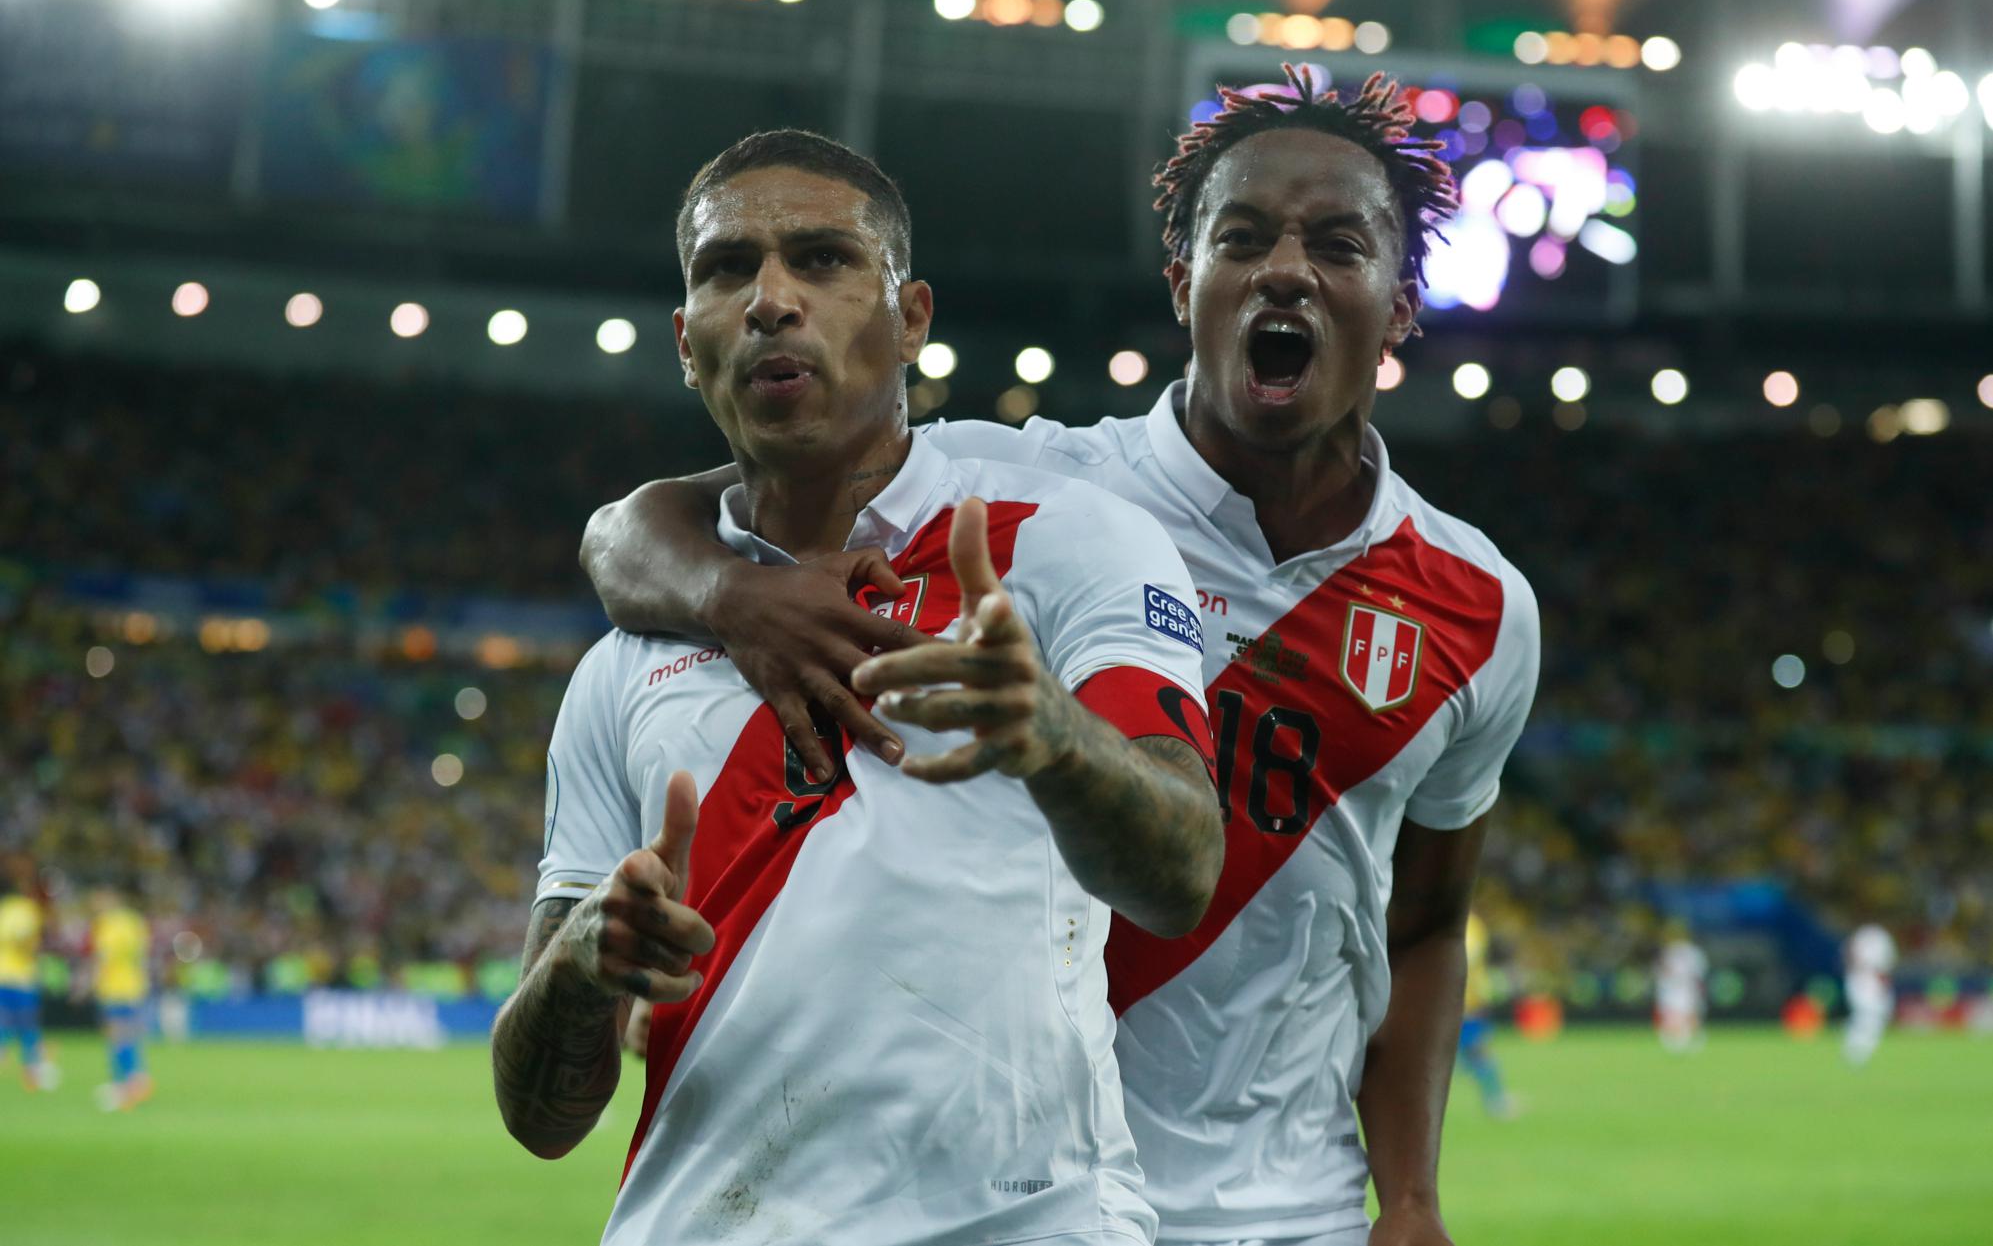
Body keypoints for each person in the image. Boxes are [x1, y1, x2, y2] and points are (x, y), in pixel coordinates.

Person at [581, 66, 1541, 1246]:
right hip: (1039, 1192)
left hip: (1296, 1210)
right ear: (1185, 283)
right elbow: (632, 529)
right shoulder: (1034, 492)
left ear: (1399, 304)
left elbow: (1428, 929)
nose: (1283, 270)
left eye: (1340, 246)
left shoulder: (1479, 605)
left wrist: (1412, 1199)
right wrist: (736, 595)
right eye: (1239, 239)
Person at [492, 130, 1224, 1246]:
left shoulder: (1064, 544)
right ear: (686, 343)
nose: (771, 299)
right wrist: (587, 967)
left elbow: (1182, 875)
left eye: (824, 260)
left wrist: (1056, 739)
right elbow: (540, 1118)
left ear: (912, 318)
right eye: (728, 269)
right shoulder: (623, 665)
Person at [87, 886, 153, 1111]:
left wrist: (91, 983)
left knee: (116, 1037)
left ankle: (121, 1085)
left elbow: (103, 958)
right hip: (135, 986)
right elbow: (142, 954)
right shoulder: (135, 922)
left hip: (114, 988)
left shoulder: (106, 924)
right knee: (130, 1036)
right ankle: (137, 1079)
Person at [0, 857, 60, 1093]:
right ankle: (32, 1074)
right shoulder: (30, 911)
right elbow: (25, 942)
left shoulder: (5, 908)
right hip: (21, 979)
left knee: (4, 1026)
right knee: (27, 1028)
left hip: (2, 976)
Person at [1455, 911, 1512, 1119]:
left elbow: (1467, 957)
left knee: (1476, 1052)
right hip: (1456, 1004)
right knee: (1474, 1054)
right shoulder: (1469, 922)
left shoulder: (1471, 923)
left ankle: (1495, 1100)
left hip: (1469, 1003)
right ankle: (1496, 1100)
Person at [1842, 921, 1896, 1067]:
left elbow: (1848, 956)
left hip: (1860, 979)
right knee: (1870, 1016)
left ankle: (1857, 1048)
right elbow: (1885, 965)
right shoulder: (1878, 936)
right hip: (1866, 979)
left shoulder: (1863, 935)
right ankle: (1857, 1050)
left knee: (1869, 1017)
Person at [1653, 926, 1708, 1054]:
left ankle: (1694, 1038)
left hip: (1686, 987)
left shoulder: (1692, 952)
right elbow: (1660, 970)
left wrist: (1698, 988)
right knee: (1671, 1015)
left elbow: (1698, 973)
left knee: (1688, 1014)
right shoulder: (1667, 951)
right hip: (1670, 987)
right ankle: (1675, 1041)